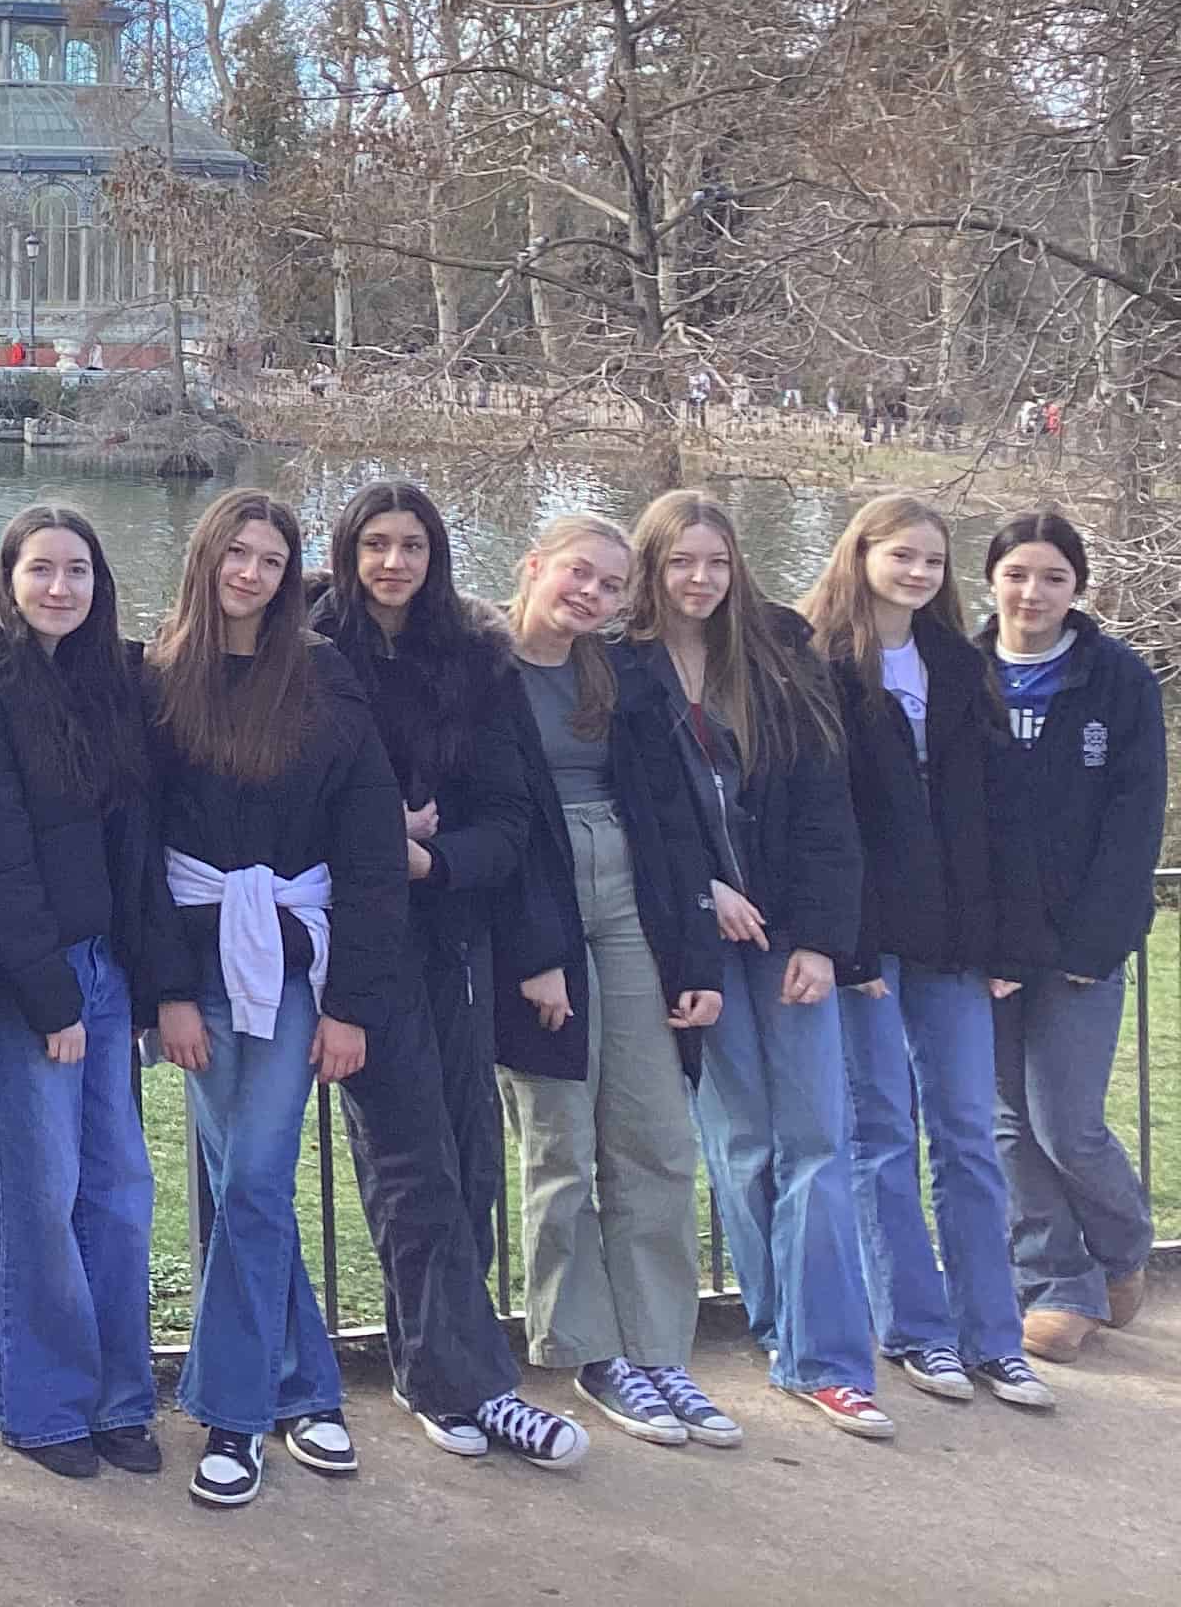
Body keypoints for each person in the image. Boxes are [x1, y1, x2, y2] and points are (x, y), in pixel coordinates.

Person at [310, 484, 588, 1466]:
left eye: (412, 545)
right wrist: (377, 842)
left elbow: (510, 817)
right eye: (376, 544)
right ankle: (469, 1386)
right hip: (352, 941)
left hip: (449, 929)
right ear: (347, 551)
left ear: (437, 556)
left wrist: (436, 861)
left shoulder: (475, 659)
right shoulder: (308, 644)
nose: (392, 563)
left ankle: (438, 1371)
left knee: (469, 1160)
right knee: (410, 1160)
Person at [143, 491, 407, 1509]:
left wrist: (352, 1004)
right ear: (206, 561)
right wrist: (167, 990)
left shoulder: (324, 677)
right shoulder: (163, 678)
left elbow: (372, 844)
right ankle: (311, 1387)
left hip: (295, 955)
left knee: (254, 1174)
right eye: (236, 555)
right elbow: (141, 850)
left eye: (271, 558)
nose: (251, 574)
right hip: (199, 959)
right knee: (246, 1181)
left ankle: (233, 1414)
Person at [623, 492, 886, 1437]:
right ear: (653, 568)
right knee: (740, 1142)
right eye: (682, 562)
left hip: (789, 934)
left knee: (817, 1137)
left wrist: (822, 937)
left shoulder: (776, 655)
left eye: (717, 562)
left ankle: (826, 1359)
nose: (700, 579)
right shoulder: (621, 667)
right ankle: (781, 1332)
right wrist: (700, 889)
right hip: (698, 939)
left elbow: (827, 804)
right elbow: (635, 815)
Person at [0, 504, 162, 1483]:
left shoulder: (114, 690)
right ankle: (42, 1399)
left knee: (119, 1191)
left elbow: (133, 850)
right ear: (9, 581)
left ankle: (118, 1393)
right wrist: (50, 997)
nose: (60, 588)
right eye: (41, 571)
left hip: (107, 968)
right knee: (34, 1194)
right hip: (35, 984)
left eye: (78, 571)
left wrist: (147, 987)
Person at [803, 495, 1056, 1412]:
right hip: (868, 938)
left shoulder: (958, 664)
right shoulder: (820, 660)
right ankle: (917, 1330)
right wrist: (843, 940)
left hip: (955, 939)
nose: (917, 573)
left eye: (932, 561)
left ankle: (995, 1335)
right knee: (879, 1135)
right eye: (901, 556)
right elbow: (821, 814)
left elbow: (1002, 812)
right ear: (861, 554)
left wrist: (1005, 938)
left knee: (967, 1136)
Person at [495, 515, 739, 1450]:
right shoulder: (486, 675)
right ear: (534, 566)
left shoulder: (621, 676)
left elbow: (673, 819)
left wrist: (697, 960)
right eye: (578, 575)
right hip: (541, 895)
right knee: (559, 1137)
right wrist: (532, 951)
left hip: (630, 890)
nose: (592, 596)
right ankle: (586, 1349)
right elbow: (498, 821)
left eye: (610, 586)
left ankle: (658, 1346)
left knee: (654, 1133)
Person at [979, 510, 1165, 1362]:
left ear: (1076, 589)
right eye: (1018, 573)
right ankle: (1057, 1281)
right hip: (984, 945)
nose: (1033, 592)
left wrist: (1098, 945)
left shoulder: (1116, 679)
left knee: (1067, 1122)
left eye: (1053, 577)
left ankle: (1124, 1247)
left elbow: (1134, 823)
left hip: (1079, 947)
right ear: (992, 579)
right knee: (1005, 1121)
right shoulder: (961, 671)